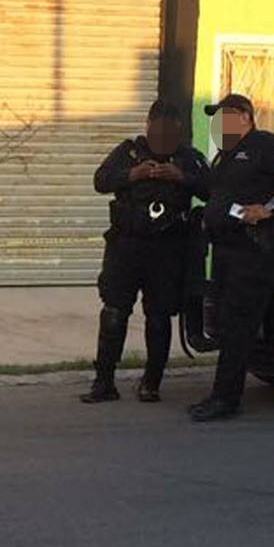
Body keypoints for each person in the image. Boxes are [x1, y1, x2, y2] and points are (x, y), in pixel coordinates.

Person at [188, 94, 274, 422]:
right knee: (225, 322)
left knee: (238, 324)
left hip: (253, 251)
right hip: (225, 250)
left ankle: (225, 398)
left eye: (225, 116)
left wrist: (270, 207)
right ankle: (222, 393)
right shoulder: (225, 155)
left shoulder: (266, 145)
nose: (220, 124)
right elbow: (215, 193)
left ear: (244, 116)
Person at [81, 100, 209, 403]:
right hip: (126, 246)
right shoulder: (129, 152)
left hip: (167, 248)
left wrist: (180, 177)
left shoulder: (188, 158)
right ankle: (104, 382)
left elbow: (212, 190)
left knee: (159, 316)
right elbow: (100, 181)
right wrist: (133, 174)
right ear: (148, 125)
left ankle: (151, 383)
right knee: (114, 312)